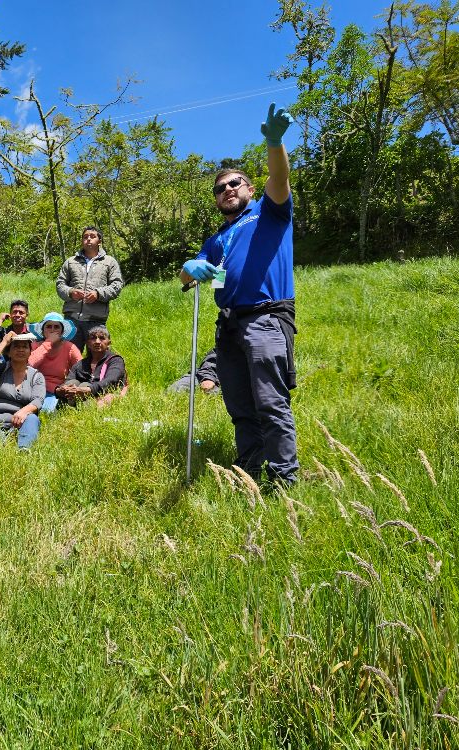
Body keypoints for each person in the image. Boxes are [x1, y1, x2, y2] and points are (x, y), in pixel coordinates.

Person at [180, 103, 298, 486]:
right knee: (241, 407)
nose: (228, 189)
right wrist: (190, 267)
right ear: (216, 200)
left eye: (235, 183)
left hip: (266, 317)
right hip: (228, 325)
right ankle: (250, 472)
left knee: (270, 402)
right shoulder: (214, 240)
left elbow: (279, 178)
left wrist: (274, 143)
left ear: (249, 188)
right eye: (220, 188)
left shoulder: (269, 212)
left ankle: (284, 482)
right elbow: (186, 276)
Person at [56, 226, 124, 351]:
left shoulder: (109, 262)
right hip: (71, 320)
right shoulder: (71, 262)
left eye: (92, 236)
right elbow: (60, 284)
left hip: (96, 320)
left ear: (99, 241)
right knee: (69, 358)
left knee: (99, 358)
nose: (88, 239)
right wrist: (71, 292)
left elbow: (117, 285)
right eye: (85, 237)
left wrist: (98, 294)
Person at [0, 331, 45, 449]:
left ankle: (24, 450)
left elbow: (38, 400)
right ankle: (5, 443)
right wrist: (4, 342)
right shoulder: (1, 368)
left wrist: (24, 411)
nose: (20, 350)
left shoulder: (36, 376)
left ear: (30, 352)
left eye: (24, 347)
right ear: (9, 352)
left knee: (32, 419)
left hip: (21, 422)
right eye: (16, 347)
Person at [55, 325, 127, 408]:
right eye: (93, 338)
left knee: (85, 386)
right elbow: (68, 381)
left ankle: (80, 416)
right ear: (88, 343)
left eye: (102, 338)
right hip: (75, 397)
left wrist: (88, 389)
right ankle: (61, 416)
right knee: (71, 384)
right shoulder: (80, 364)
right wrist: (60, 390)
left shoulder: (115, 360)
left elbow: (111, 380)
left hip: (102, 396)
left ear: (108, 343)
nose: (97, 341)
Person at [29, 312, 82, 412]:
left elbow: (81, 369)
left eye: (56, 327)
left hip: (58, 390)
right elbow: (30, 364)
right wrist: (48, 343)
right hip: (34, 388)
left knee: (48, 411)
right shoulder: (35, 346)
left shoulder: (69, 347)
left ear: (62, 332)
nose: (53, 330)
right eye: (49, 326)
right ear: (43, 331)